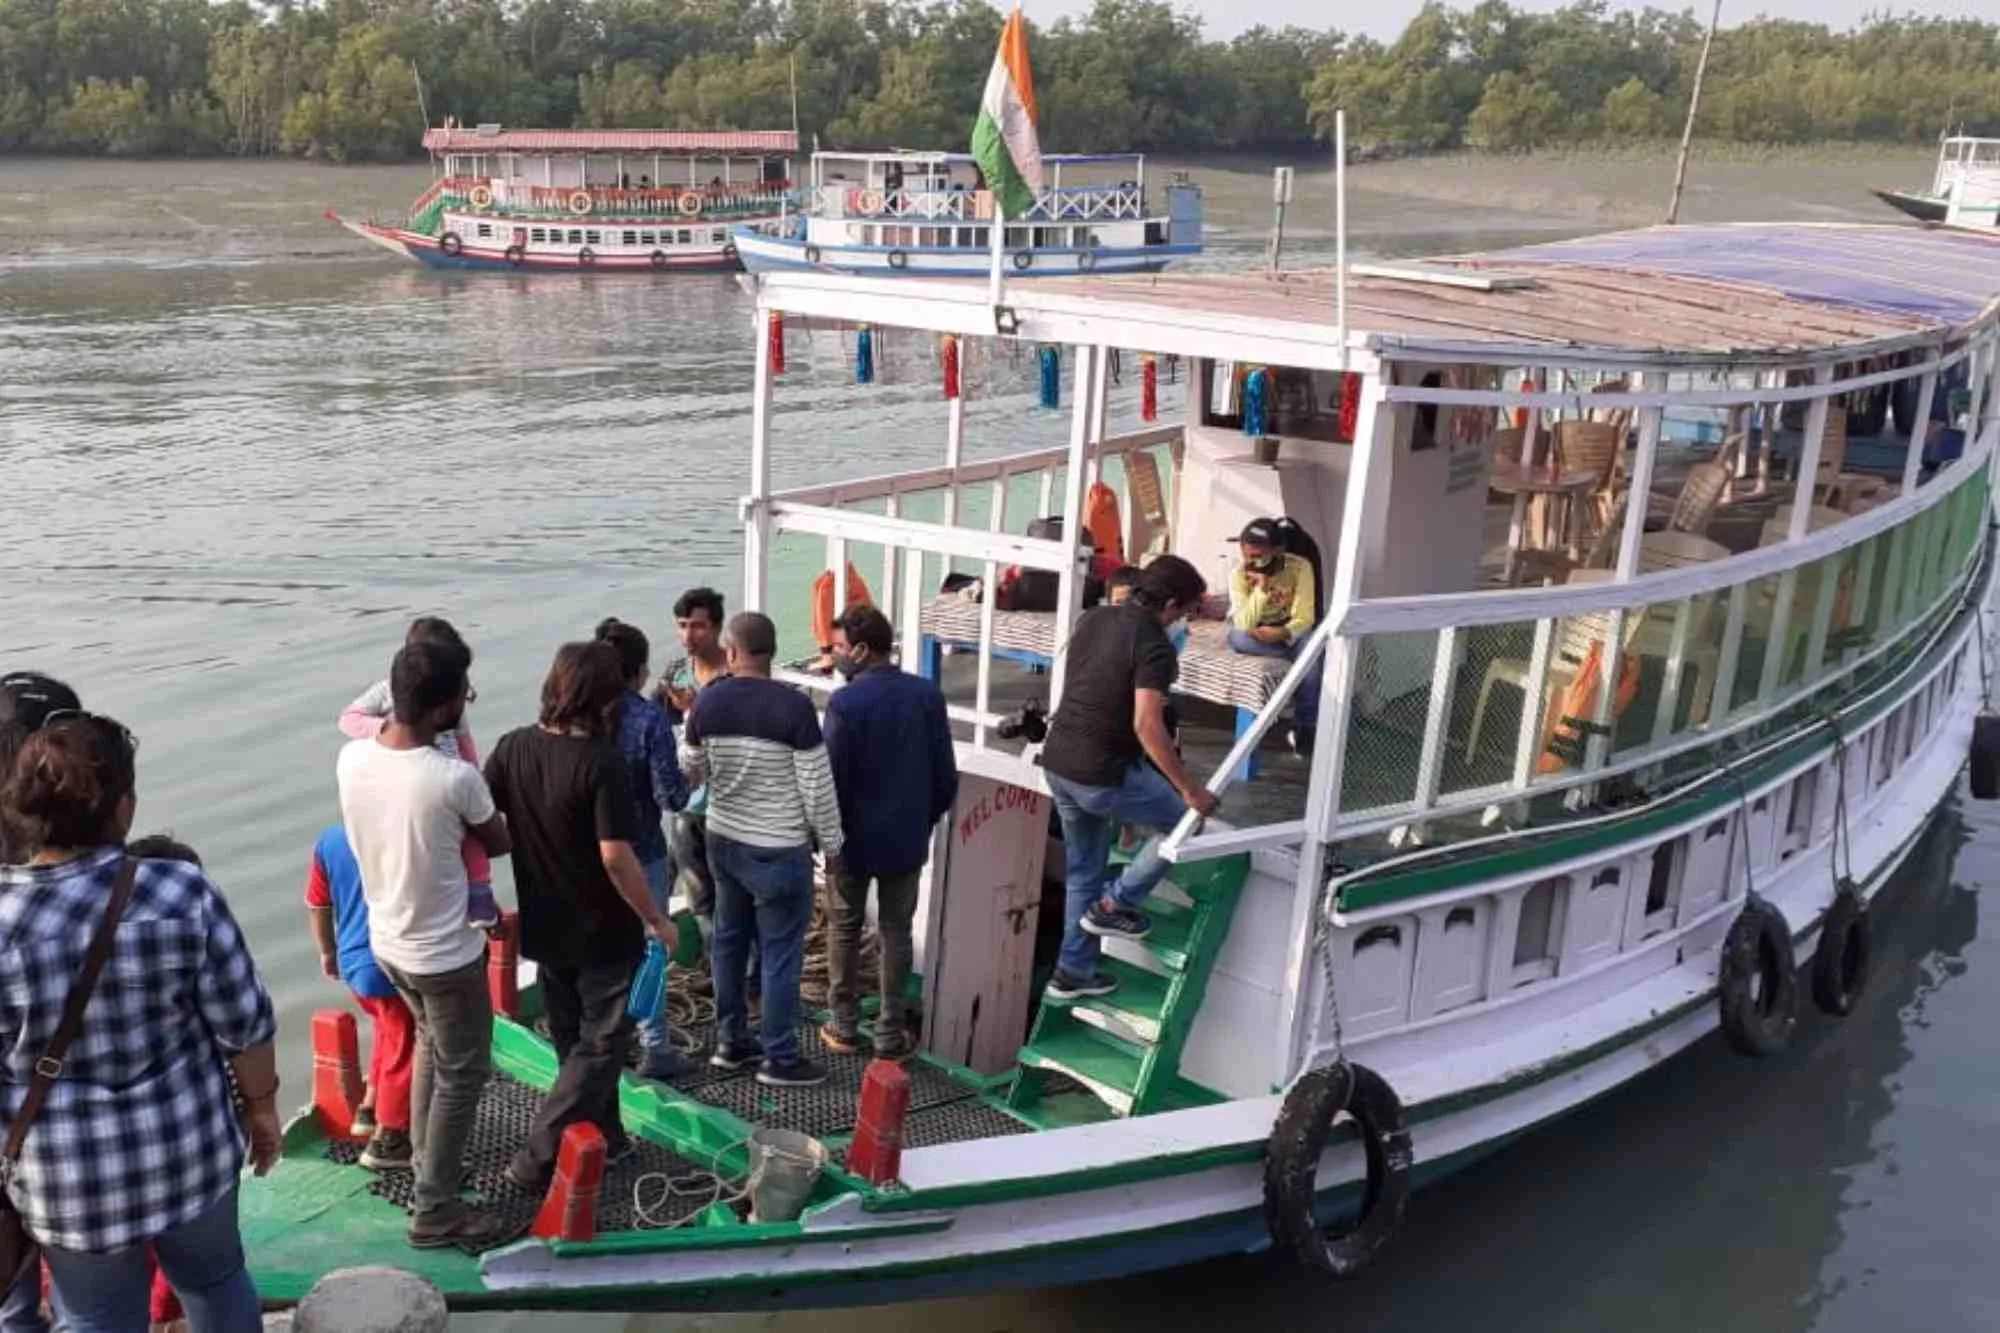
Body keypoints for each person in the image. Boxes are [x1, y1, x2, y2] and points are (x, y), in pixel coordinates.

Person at [0, 714, 278, 1332]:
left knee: (97, 1318)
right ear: (122, 808)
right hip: (191, 1155)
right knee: (216, 1283)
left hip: (68, 1185)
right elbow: (247, 1025)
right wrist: (262, 1110)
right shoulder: (180, 890)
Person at [336, 640, 514, 1249]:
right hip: (444, 953)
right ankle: (435, 1208)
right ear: (443, 709)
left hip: (388, 941)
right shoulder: (452, 778)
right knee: (464, 1071)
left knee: (434, 1054)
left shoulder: (352, 760)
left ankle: (425, 1168)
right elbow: (497, 841)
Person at [484, 643, 678, 1192]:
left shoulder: (513, 748)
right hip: (602, 929)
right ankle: (535, 1159)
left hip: (545, 922)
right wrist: (656, 918)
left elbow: (479, 817)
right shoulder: (601, 763)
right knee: (600, 1046)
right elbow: (615, 856)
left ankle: (608, 1138)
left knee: (573, 1039)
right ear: (604, 700)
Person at [1036, 555, 1220, 1000]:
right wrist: (1190, 790)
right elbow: (1147, 725)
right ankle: (1116, 903)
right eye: (1187, 612)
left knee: (1083, 870)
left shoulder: (1095, 618)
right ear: (1171, 604)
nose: (1186, 623)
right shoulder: (1155, 646)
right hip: (1102, 770)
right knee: (1182, 822)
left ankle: (1072, 972)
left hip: (1059, 760)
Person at [682, 612, 843, 1087]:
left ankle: (730, 1045)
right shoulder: (794, 708)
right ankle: (780, 1057)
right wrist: (832, 846)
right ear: (770, 653)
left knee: (729, 943)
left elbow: (691, 771)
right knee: (779, 956)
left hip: (724, 841)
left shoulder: (707, 704)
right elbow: (817, 785)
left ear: (730, 651)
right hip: (779, 848)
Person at [820, 606, 957, 1061]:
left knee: (844, 928)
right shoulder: (926, 695)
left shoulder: (844, 704)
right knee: (896, 931)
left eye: (838, 648)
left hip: (851, 841)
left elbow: (830, 781)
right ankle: (888, 1032)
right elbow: (945, 778)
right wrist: (923, 819)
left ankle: (843, 1025)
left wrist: (827, 838)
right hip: (906, 837)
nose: (833, 656)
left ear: (860, 650)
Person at [340, 617, 497, 927]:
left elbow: (464, 742)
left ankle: (479, 892)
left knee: (471, 841)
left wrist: (474, 777)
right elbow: (348, 719)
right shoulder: (385, 693)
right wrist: (383, 728)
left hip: (448, 777)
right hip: (418, 773)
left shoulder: (453, 702)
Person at [592, 617, 694, 1081]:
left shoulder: (579, 714)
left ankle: (608, 1040)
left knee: (604, 953)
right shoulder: (649, 719)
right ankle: (655, 1046)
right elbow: (671, 796)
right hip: (643, 851)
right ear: (640, 671)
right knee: (650, 948)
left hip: (588, 853)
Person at [304, 822, 417, 1172]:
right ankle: (390, 1137)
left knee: (387, 1031)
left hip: (354, 962)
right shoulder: (396, 831)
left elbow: (317, 905)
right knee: (407, 1045)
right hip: (388, 961)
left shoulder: (330, 840)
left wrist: (327, 951)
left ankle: (369, 1108)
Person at [654, 588, 729, 945]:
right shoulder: (676, 672)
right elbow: (656, 729)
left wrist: (695, 707)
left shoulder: (735, 674)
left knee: (716, 902)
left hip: (726, 808)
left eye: (697, 626)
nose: (688, 635)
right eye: (682, 626)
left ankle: (729, 980)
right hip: (685, 801)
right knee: (684, 890)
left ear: (716, 627)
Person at [1227, 518, 1322, 753]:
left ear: (1278, 551)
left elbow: (1305, 616)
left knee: (1312, 654)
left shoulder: (1299, 567)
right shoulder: (1239, 574)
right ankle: (1293, 656)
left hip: (1290, 630)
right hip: (1257, 633)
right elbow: (1243, 622)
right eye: (1246, 554)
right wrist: (1261, 589)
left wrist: (1284, 633)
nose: (1251, 561)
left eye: (1258, 556)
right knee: (1236, 638)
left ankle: (1305, 726)